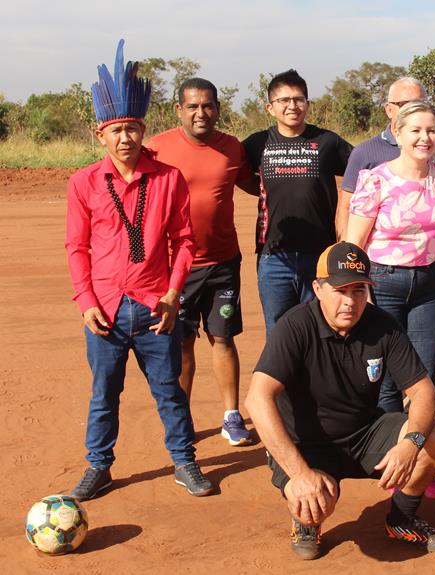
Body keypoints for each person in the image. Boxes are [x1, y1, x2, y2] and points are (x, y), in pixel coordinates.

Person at [65, 40, 212, 501]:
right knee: (104, 394)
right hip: (105, 310)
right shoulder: (82, 183)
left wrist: (172, 295)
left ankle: (184, 461)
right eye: (116, 131)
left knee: (169, 390)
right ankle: (98, 465)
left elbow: (184, 242)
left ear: (142, 129)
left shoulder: (168, 179)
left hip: (155, 307)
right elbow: (77, 246)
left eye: (132, 128)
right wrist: (86, 302)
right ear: (100, 135)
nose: (125, 138)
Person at [244, 242, 435, 560]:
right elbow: (257, 399)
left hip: (363, 434)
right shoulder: (295, 326)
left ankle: (401, 519)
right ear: (317, 288)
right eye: (340, 290)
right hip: (307, 445)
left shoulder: (382, 325)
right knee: (316, 501)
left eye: (358, 290)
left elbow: (423, 392)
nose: (350, 301)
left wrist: (410, 444)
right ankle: (306, 524)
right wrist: (300, 474)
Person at [339, 77, 435, 432]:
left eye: (431, 131)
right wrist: (358, 293)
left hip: (427, 285)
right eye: (415, 130)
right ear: (397, 132)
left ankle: (418, 456)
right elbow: (353, 246)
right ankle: (390, 447)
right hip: (382, 282)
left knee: (422, 376)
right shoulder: (375, 180)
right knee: (386, 376)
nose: (424, 138)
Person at [147, 77, 258, 447]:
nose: (201, 113)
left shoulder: (232, 149)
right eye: (192, 106)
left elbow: (257, 185)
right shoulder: (157, 149)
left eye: (208, 105)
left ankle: (231, 416)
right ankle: (182, 418)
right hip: (175, 268)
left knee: (223, 339)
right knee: (181, 344)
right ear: (178, 109)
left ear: (218, 109)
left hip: (223, 261)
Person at [242, 70, 353, 336]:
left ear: (307, 103)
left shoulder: (327, 141)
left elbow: (364, 170)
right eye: (284, 100)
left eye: (299, 99)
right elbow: (229, 172)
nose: (292, 106)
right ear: (270, 107)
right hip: (273, 257)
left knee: (320, 328)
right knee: (279, 332)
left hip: (319, 254)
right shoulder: (257, 144)